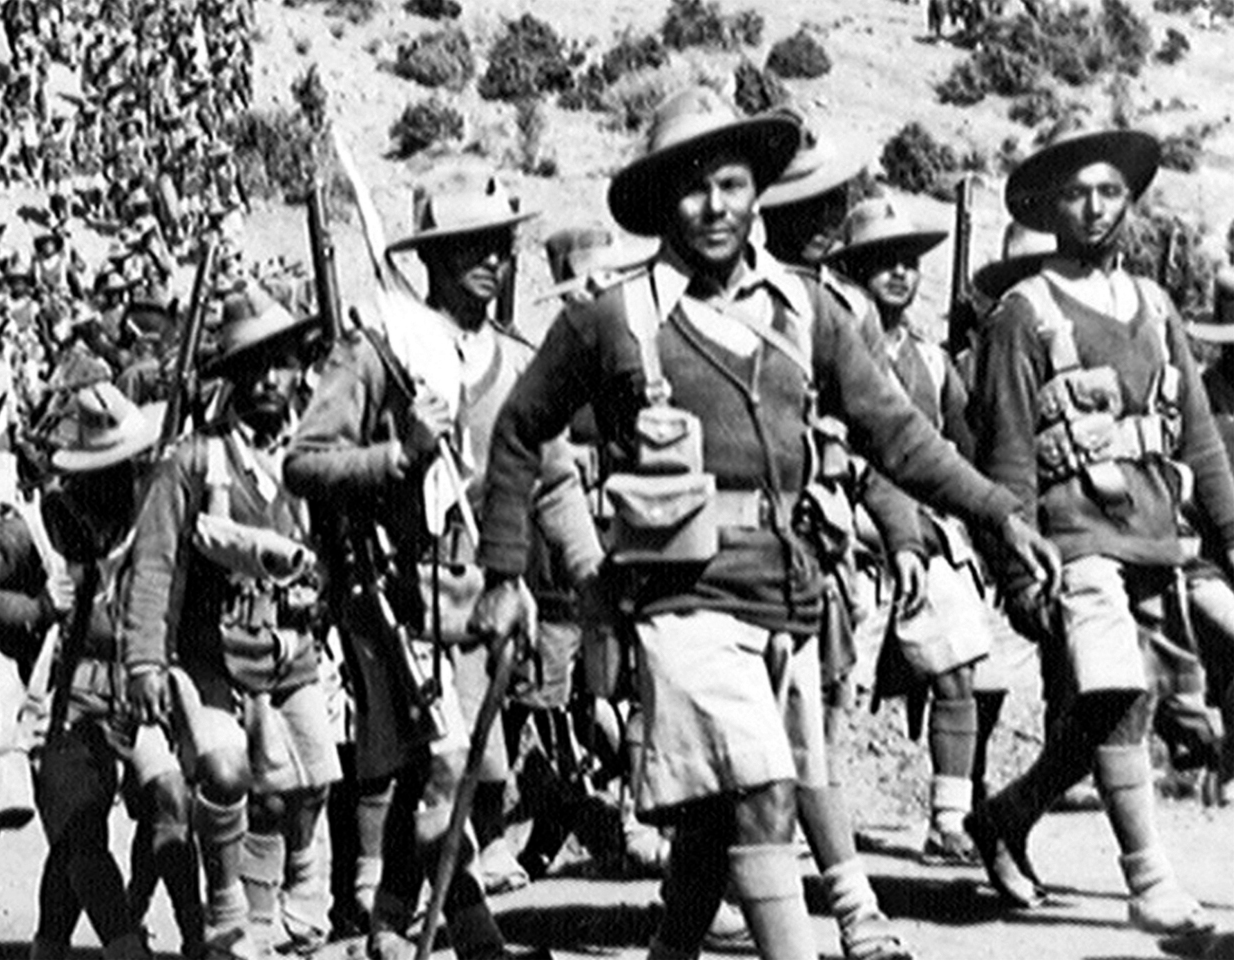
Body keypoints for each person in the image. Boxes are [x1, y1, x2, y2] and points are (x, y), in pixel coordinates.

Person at [473, 86, 1059, 960]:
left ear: (758, 193)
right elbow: (520, 428)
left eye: (733, 185)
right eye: (693, 188)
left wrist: (999, 513)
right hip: (680, 601)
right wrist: (502, 574)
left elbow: (896, 434)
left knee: (716, 829)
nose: (715, 207)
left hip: (786, 599)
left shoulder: (806, 310)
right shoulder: (612, 317)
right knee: (763, 794)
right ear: (661, 201)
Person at [286, 181, 601, 960]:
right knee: (446, 762)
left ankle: (391, 921)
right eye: (470, 248)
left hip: (483, 596)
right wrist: (400, 454)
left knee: (470, 780)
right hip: (398, 593)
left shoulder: (518, 361)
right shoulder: (381, 350)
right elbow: (305, 462)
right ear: (431, 258)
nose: (491, 262)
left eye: (500, 246)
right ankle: (475, 937)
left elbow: (553, 480)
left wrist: (588, 570)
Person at [968, 124, 1230, 934]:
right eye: (1076, 193)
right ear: (1048, 205)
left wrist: (1229, 530)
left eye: (1109, 191)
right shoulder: (1023, 313)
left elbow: (1198, 438)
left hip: (1156, 531)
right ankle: (1150, 881)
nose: (1094, 208)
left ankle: (1008, 814)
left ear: (1129, 202)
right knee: (1114, 689)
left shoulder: (1155, 306)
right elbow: (1008, 452)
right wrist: (1019, 570)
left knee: (1124, 708)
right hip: (1072, 537)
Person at [123, 286, 337, 959]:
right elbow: (154, 563)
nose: (270, 379)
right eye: (254, 366)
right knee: (223, 773)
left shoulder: (311, 454)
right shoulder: (194, 460)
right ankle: (226, 914)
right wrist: (145, 661)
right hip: (208, 653)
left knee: (303, 787)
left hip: (292, 650)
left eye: (282, 364)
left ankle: (278, 918)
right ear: (233, 377)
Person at [0, 381, 168, 960]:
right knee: (81, 830)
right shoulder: (33, 529)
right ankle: (126, 949)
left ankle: (51, 947)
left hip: (132, 702)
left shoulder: (144, 519)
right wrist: (36, 609)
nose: (126, 479)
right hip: (54, 707)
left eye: (130, 465)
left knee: (110, 826)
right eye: (111, 469)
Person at [822, 198, 1005, 864]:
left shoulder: (931, 360)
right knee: (824, 688)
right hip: (850, 524)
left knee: (960, 664)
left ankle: (950, 818)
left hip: (924, 532)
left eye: (909, 262)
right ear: (854, 270)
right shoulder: (830, 339)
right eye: (882, 262)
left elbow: (961, 450)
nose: (899, 274)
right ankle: (814, 823)